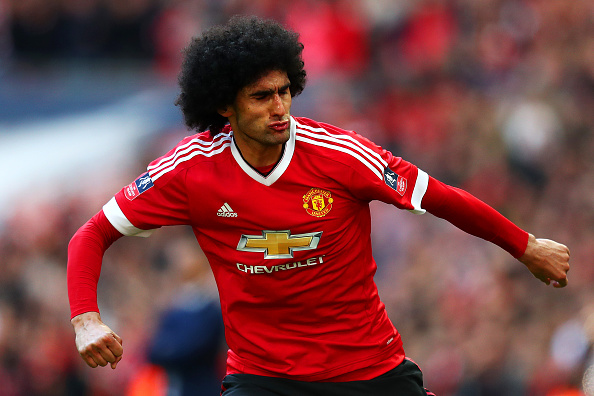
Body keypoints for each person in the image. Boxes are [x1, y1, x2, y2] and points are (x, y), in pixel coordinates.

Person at [67, 16, 570, 396]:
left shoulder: (339, 155)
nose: (280, 106)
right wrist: (86, 318)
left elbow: (440, 198)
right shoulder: (189, 171)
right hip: (264, 378)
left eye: (285, 91)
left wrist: (525, 246)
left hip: (367, 369)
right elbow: (91, 235)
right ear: (225, 105)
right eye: (262, 96)